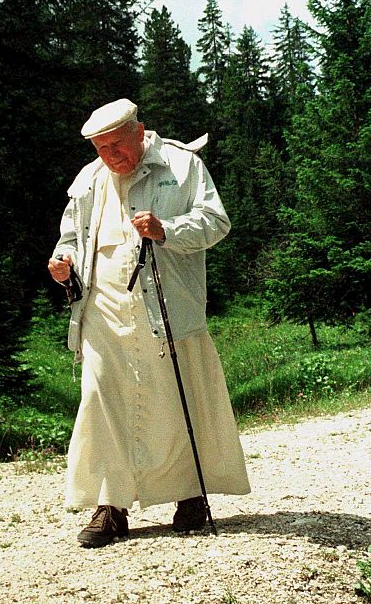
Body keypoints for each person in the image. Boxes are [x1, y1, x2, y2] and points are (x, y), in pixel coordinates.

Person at [48, 98, 250, 548]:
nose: (110, 157)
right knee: (102, 402)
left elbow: (216, 223)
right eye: (101, 149)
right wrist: (64, 264)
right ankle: (110, 505)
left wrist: (166, 230)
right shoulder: (89, 179)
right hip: (102, 309)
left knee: (176, 401)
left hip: (167, 305)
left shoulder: (182, 165)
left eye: (117, 146)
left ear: (140, 133)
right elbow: (70, 238)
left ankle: (190, 495)